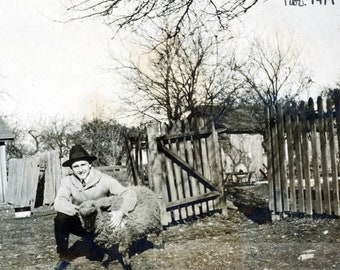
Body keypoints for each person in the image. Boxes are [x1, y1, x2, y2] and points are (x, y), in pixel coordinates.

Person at [53, 145, 137, 270]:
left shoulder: (104, 179)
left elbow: (128, 193)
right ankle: (64, 256)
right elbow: (59, 202)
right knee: (60, 219)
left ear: (90, 165)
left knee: (100, 255)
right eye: (76, 166)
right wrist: (79, 210)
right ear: (71, 169)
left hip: (101, 225)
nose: (80, 170)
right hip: (82, 221)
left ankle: (108, 250)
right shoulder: (67, 181)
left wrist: (121, 212)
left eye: (83, 165)